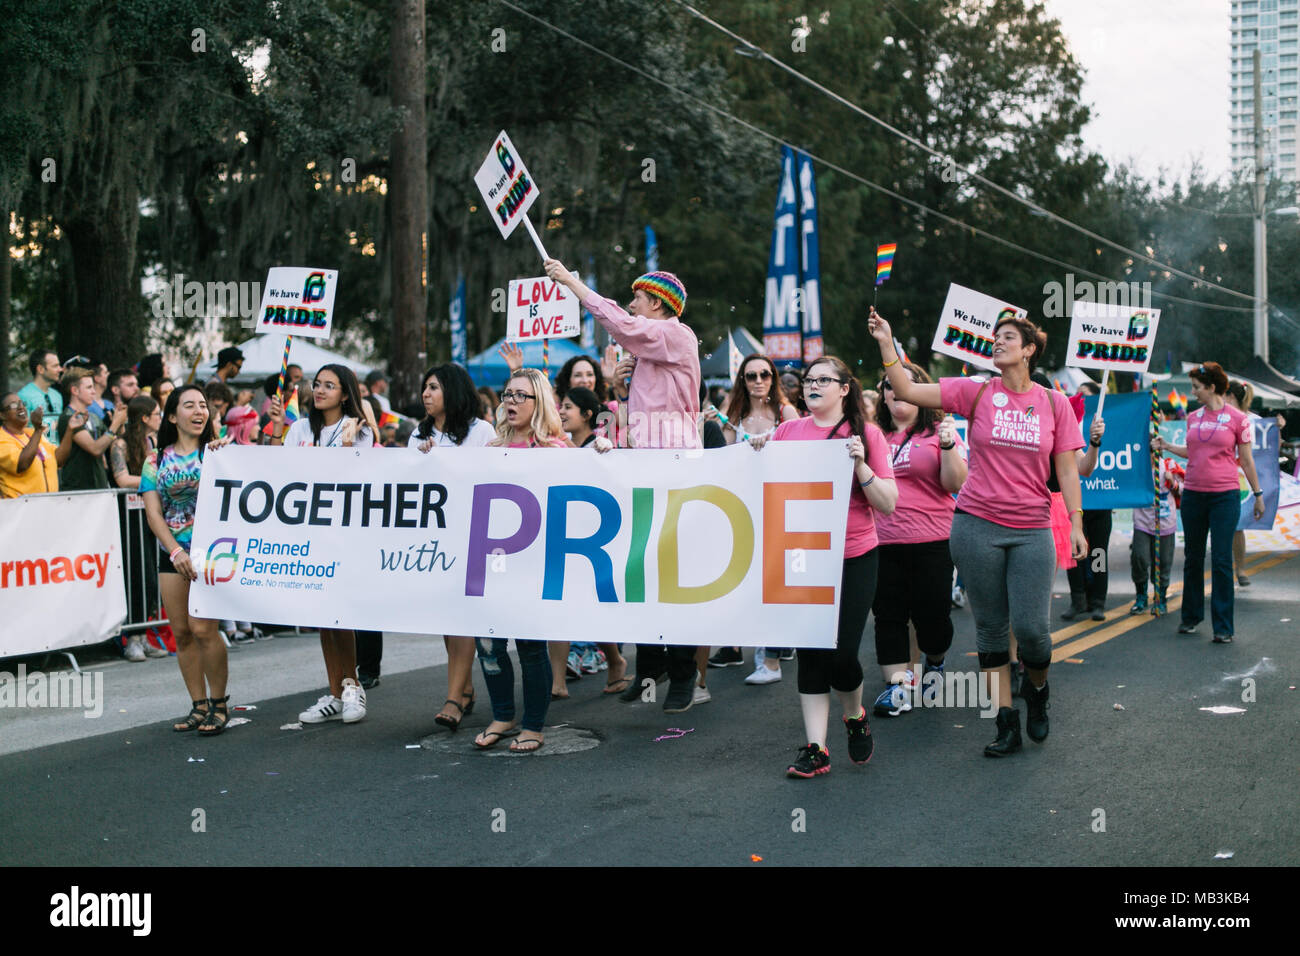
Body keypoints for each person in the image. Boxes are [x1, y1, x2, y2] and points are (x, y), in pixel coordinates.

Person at [869, 307, 1087, 757]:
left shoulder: (1053, 403)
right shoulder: (975, 391)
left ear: (1028, 350)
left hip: (1031, 529)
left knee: (1031, 631)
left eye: (1008, 337)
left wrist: (1078, 524)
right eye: (996, 336)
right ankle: (1005, 722)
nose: (998, 341)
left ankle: (1039, 691)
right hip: (975, 526)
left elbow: (1066, 470)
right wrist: (886, 342)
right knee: (989, 631)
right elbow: (906, 387)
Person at [543, 258, 704, 714]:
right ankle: (651, 669)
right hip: (644, 466)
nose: (632, 304)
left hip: (674, 468)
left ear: (656, 303)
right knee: (642, 572)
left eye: (638, 298)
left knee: (670, 576)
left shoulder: (676, 333)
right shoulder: (650, 347)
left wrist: (572, 281)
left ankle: (683, 675)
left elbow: (616, 319)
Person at [751, 355, 897, 777]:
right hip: (801, 556)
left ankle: (854, 715)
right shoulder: (787, 432)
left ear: (845, 388)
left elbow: (888, 504)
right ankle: (816, 749)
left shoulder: (866, 434)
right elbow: (753, 479)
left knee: (842, 654)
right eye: (809, 380)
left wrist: (861, 464)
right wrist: (757, 451)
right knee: (813, 649)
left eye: (824, 380)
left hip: (854, 556)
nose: (813, 385)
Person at [269, 364, 376, 723]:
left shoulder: (359, 430)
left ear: (346, 393)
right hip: (307, 533)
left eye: (329, 386)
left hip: (342, 535)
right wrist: (275, 431)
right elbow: (282, 471)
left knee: (339, 613)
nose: (320, 390)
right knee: (323, 618)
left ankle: (352, 686)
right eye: (317, 384)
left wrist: (347, 446)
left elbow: (356, 482)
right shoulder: (299, 428)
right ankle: (334, 690)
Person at [472, 368, 567, 753]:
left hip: (534, 563)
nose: (510, 402)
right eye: (507, 394)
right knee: (489, 643)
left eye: (520, 396)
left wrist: (600, 454)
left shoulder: (558, 450)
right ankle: (503, 714)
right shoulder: (491, 450)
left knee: (530, 645)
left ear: (539, 402)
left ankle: (533, 724)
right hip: (492, 561)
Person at [870, 361, 968, 716]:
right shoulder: (872, 435)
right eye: (888, 385)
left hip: (933, 541)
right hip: (881, 542)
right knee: (889, 616)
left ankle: (936, 661)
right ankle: (897, 688)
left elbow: (955, 484)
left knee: (933, 620)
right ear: (883, 395)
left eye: (905, 384)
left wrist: (946, 448)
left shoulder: (939, 430)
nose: (895, 390)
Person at [141, 385, 233, 733]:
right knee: (181, 632)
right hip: (173, 554)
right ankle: (198, 704)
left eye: (203, 406)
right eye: (190, 405)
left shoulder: (218, 452)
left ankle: (220, 703)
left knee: (204, 629)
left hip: (211, 554)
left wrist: (228, 451)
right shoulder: (155, 460)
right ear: (171, 415)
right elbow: (153, 514)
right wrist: (175, 551)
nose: (199, 412)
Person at [409, 363, 496, 728]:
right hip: (436, 539)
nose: (426, 394)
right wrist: (422, 461)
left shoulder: (481, 432)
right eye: (424, 388)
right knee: (448, 618)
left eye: (433, 387)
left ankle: (452, 699)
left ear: (453, 390)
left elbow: (493, 478)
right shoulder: (419, 434)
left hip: (475, 535)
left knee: (461, 617)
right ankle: (465, 688)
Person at [1154, 362, 1265, 643]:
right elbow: (1192, 451)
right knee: (1192, 558)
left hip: (1224, 496)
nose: (1193, 393)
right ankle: (1190, 617)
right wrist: (1166, 446)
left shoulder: (1239, 419)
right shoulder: (1193, 417)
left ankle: (1223, 626)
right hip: (1193, 494)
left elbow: (1247, 460)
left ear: (1212, 387)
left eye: (1197, 388)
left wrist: (1258, 494)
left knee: (1221, 560)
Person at [719, 354, 799, 683]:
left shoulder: (786, 413)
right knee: (749, 583)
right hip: (742, 509)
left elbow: (801, 458)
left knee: (775, 583)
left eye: (764, 374)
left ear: (773, 378)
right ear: (743, 380)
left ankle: (771, 661)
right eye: (751, 375)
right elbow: (720, 460)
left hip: (779, 506)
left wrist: (774, 446)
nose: (758, 380)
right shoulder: (733, 416)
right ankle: (758, 649)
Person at [1062, 380, 1112, 621]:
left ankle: (1098, 600)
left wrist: (1095, 441)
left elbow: (1087, 466)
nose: (1078, 399)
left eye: (1085, 396)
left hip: (1100, 502)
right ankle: (1077, 599)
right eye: (1076, 395)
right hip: (1073, 505)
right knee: (1073, 554)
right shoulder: (1065, 420)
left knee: (1098, 553)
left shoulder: (1104, 421)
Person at [1130, 438, 1182, 617]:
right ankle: (1141, 596)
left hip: (1165, 523)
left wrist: (1172, 482)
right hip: (1142, 522)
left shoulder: (1168, 466)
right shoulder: (1137, 469)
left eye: (1151, 452)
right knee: (1139, 558)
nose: (1148, 456)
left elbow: (1184, 489)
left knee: (1163, 563)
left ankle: (1160, 598)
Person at [57, 368, 127, 491]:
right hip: (78, 490)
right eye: (89, 388)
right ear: (75, 390)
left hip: (99, 486)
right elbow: (95, 449)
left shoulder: (94, 417)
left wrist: (120, 423)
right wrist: (115, 424)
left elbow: (114, 441)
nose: (94, 392)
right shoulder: (68, 417)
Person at [0, 392, 76, 497]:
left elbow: (58, 459)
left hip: (47, 505)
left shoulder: (31, 433)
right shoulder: (2, 438)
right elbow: (22, 464)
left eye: (22, 403)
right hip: (20, 509)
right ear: (2, 415)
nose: (21, 407)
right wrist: (38, 430)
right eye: (13, 405)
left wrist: (70, 430)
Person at [1225, 380, 1259, 587]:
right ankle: (1227, 569)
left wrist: (1278, 427)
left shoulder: (1250, 420)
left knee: (1237, 527)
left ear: (1231, 396)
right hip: (1222, 476)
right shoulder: (1216, 416)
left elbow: (1271, 443)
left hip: (1238, 478)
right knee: (1223, 526)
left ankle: (1240, 568)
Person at [19, 349, 64, 444]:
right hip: (37, 455)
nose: (60, 369)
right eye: (55, 366)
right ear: (40, 369)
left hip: (57, 455)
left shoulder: (57, 396)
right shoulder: (24, 396)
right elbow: (21, 432)